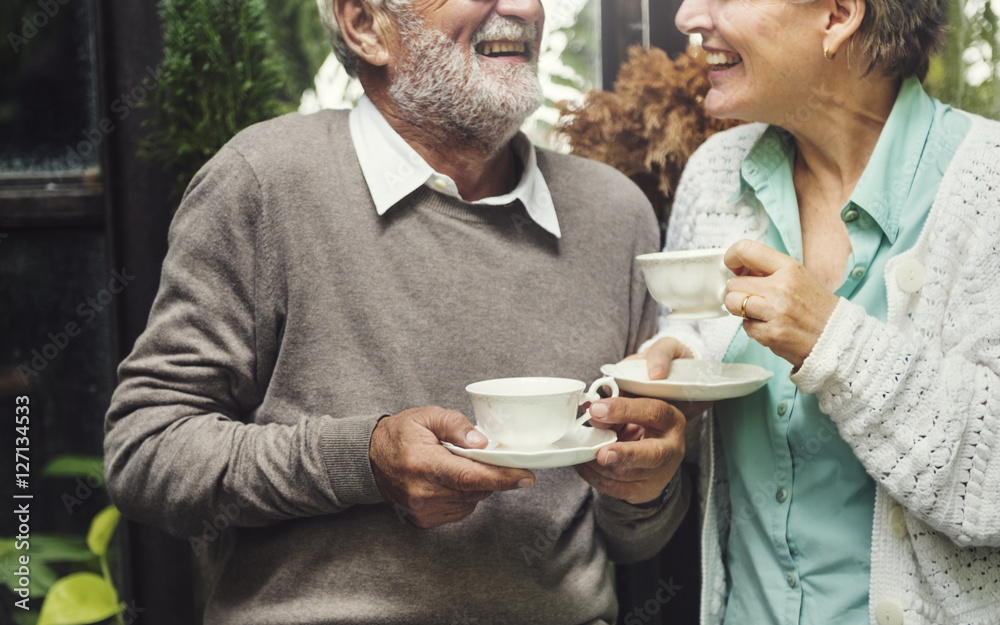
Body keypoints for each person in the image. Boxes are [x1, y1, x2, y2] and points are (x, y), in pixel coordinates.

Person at [103, 0, 691, 622]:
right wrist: (365, 461)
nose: (522, 8)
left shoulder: (616, 214)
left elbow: (634, 541)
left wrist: (644, 488)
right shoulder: (264, 183)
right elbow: (146, 450)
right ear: (363, 24)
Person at [637, 0, 1000, 623]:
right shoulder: (714, 174)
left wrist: (831, 340)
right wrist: (680, 366)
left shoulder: (988, 184)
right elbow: (693, 326)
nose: (688, 17)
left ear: (838, 15)